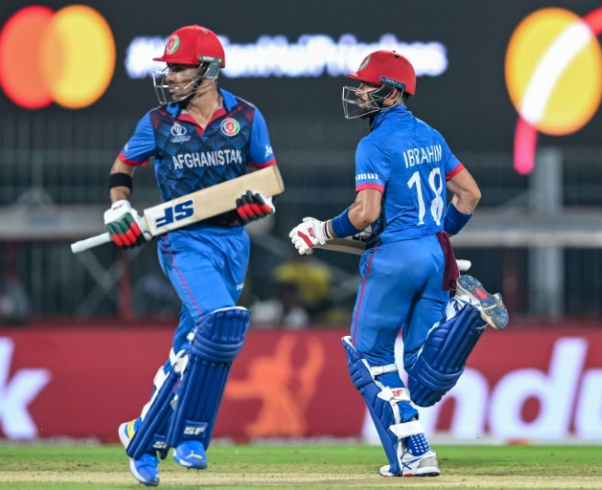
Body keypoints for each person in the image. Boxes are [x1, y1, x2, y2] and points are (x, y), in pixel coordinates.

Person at [289, 50, 509, 477]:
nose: (358, 92)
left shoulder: (373, 143)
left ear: (391, 93)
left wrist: (322, 231)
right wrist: (438, 233)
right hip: (433, 254)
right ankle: (467, 322)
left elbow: (365, 214)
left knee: (368, 357)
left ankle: (412, 452)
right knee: (422, 372)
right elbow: (470, 195)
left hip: (394, 257)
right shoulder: (431, 134)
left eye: (367, 86)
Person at [105, 25, 278, 486]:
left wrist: (259, 203)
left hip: (233, 243)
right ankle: (153, 439)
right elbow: (123, 167)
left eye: (180, 69)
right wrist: (121, 205)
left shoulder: (244, 117)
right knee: (219, 322)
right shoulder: (158, 122)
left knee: (196, 342)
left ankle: (173, 433)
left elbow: (268, 178)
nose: (172, 77)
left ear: (210, 70)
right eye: (171, 69)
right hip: (183, 242)